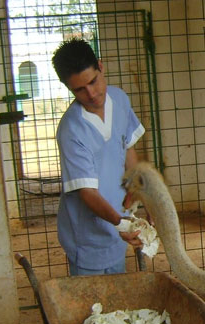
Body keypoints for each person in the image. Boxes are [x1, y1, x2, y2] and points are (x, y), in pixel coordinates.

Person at [52, 38, 143, 275]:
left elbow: (128, 149)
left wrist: (138, 192)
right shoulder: (72, 129)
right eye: (79, 89)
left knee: (115, 300)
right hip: (88, 236)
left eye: (93, 81)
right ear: (68, 87)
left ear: (101, 66)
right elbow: (87, 193)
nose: (91, 94)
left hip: (116, 222)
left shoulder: (120, 99)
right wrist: (121, 223)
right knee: (94, 307)